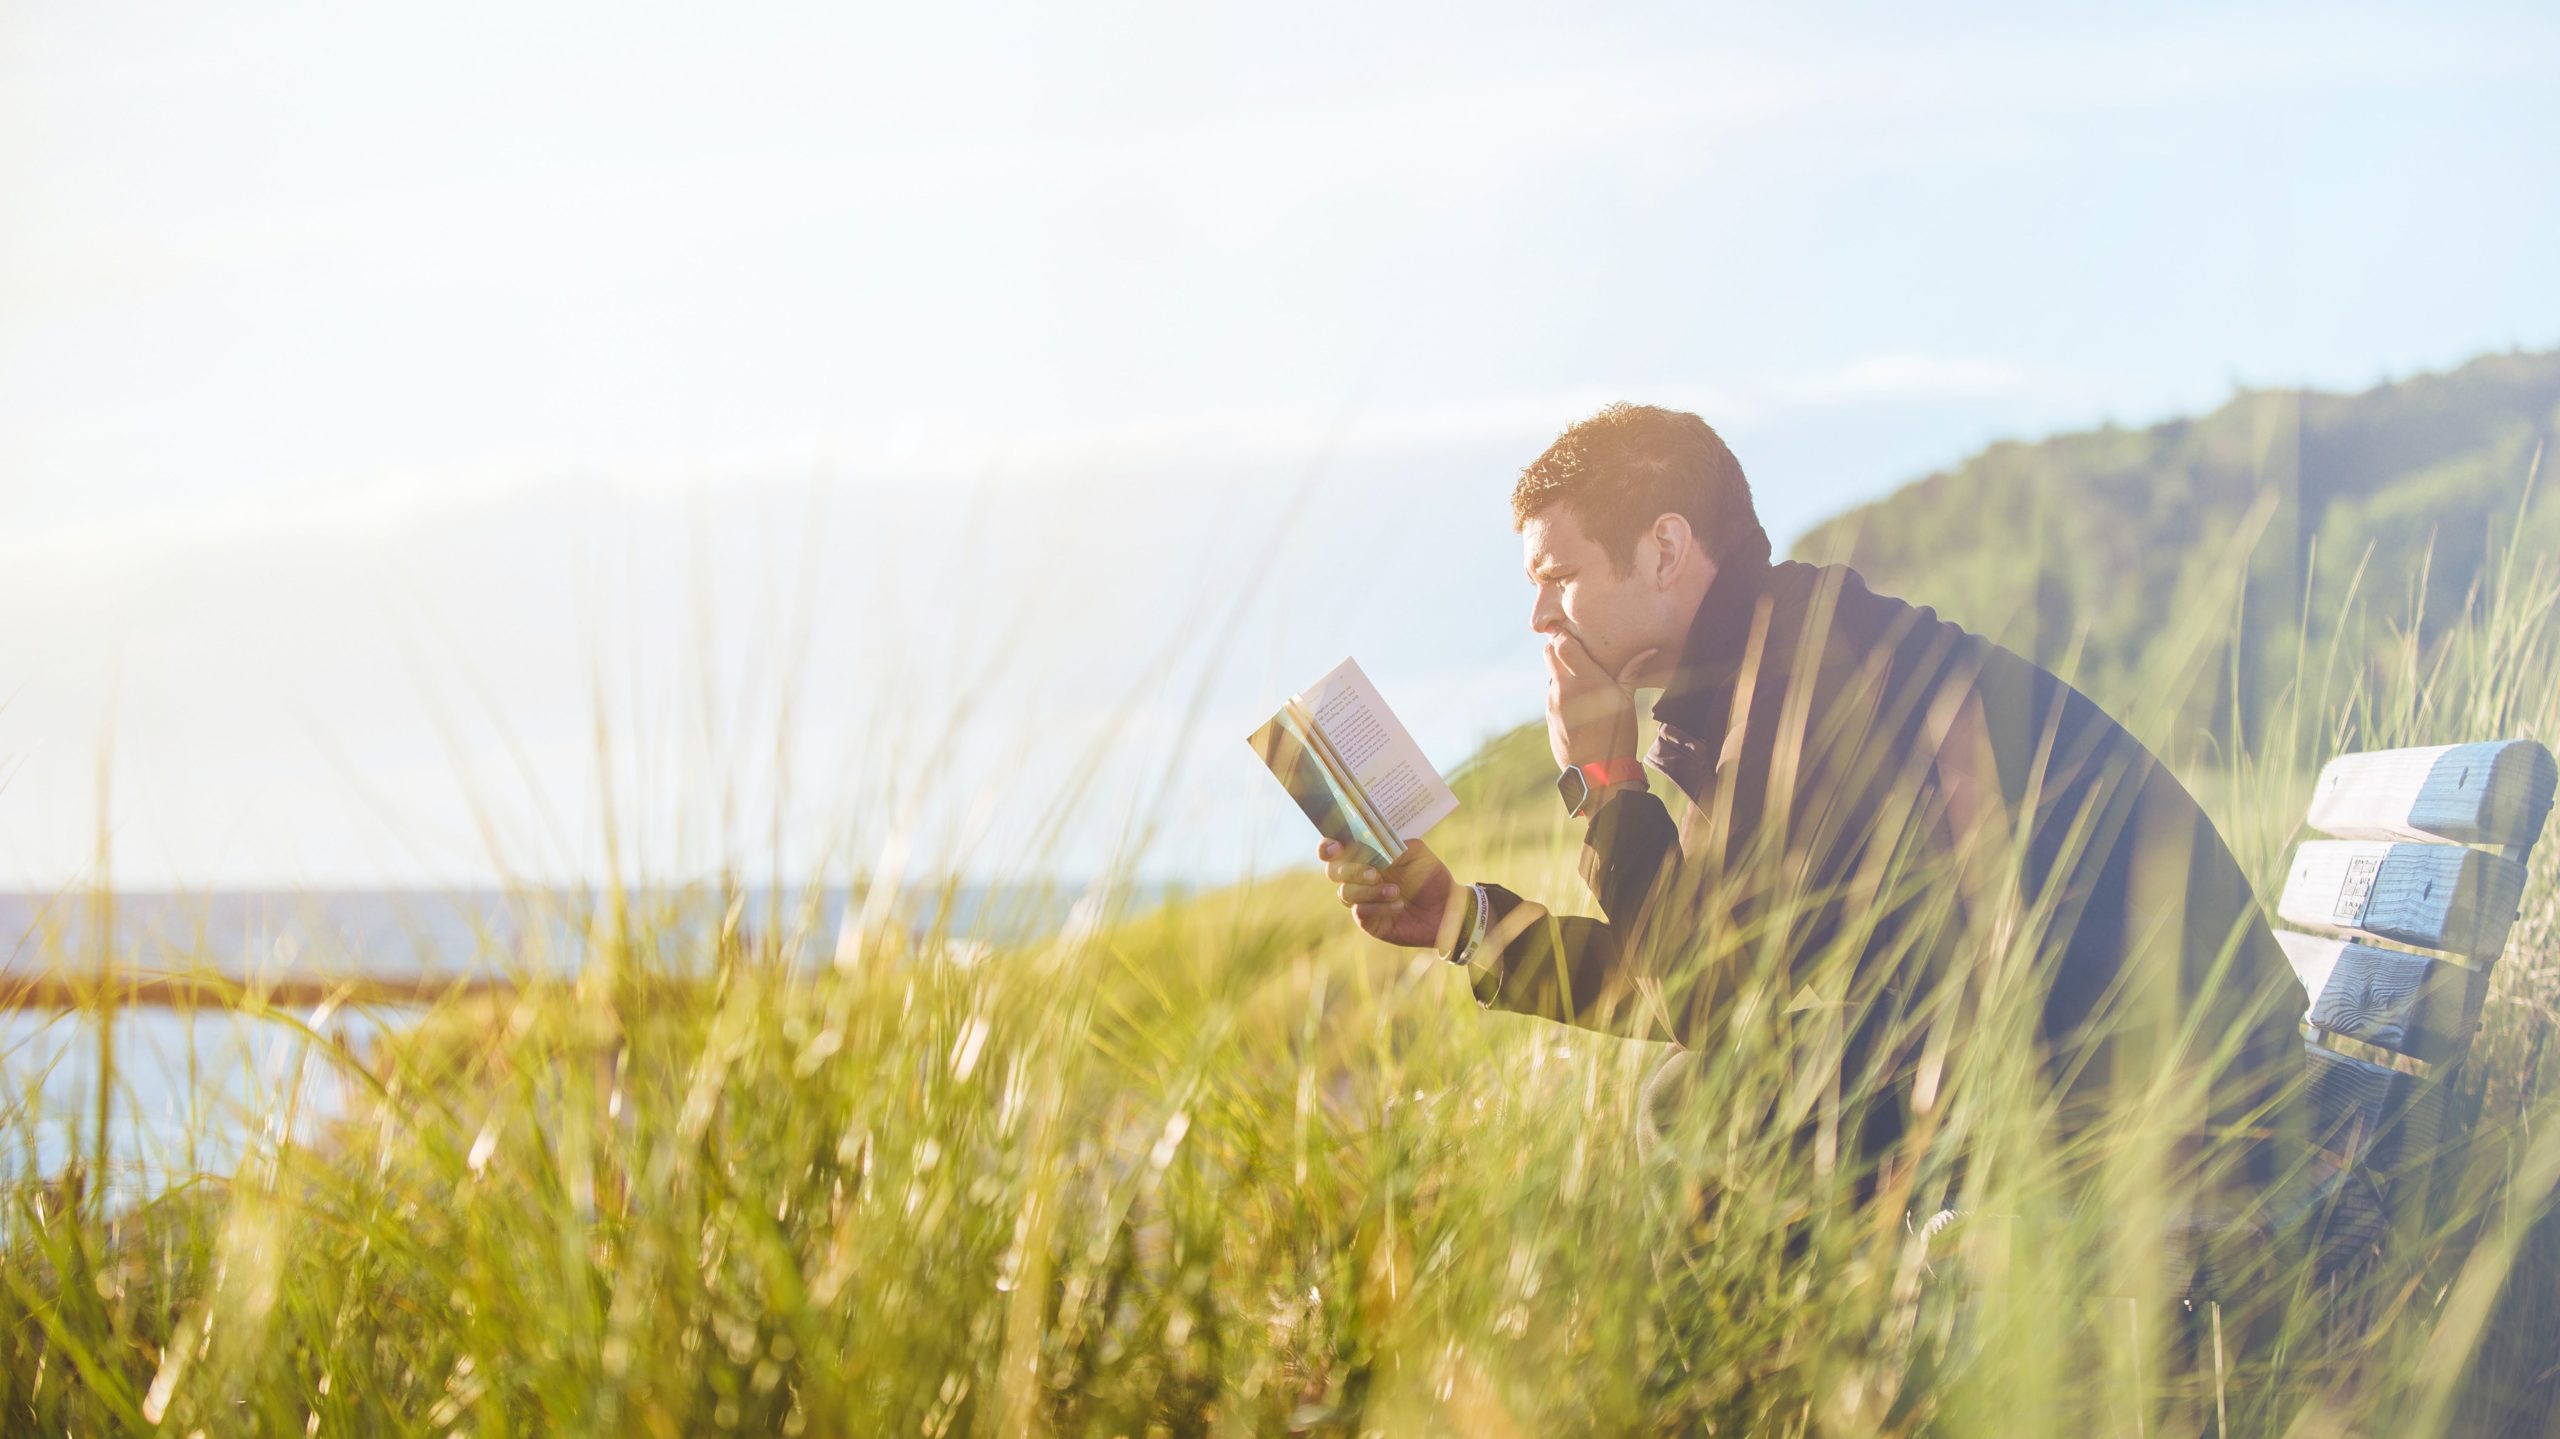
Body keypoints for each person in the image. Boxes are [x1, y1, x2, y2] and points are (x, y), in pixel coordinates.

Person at [1317, 402, 2309, 1298]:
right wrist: (1459, 920)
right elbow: (1711, 972)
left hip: (2184, 1094)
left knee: (1706, 1105)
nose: (1539, 617)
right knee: (1725, 1092)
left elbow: (1698, 993)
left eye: (1558, 576)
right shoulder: (1768, 665)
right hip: (2103, 1054)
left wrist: (1609, 784)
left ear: (1665, 547)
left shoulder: (1808, 679)